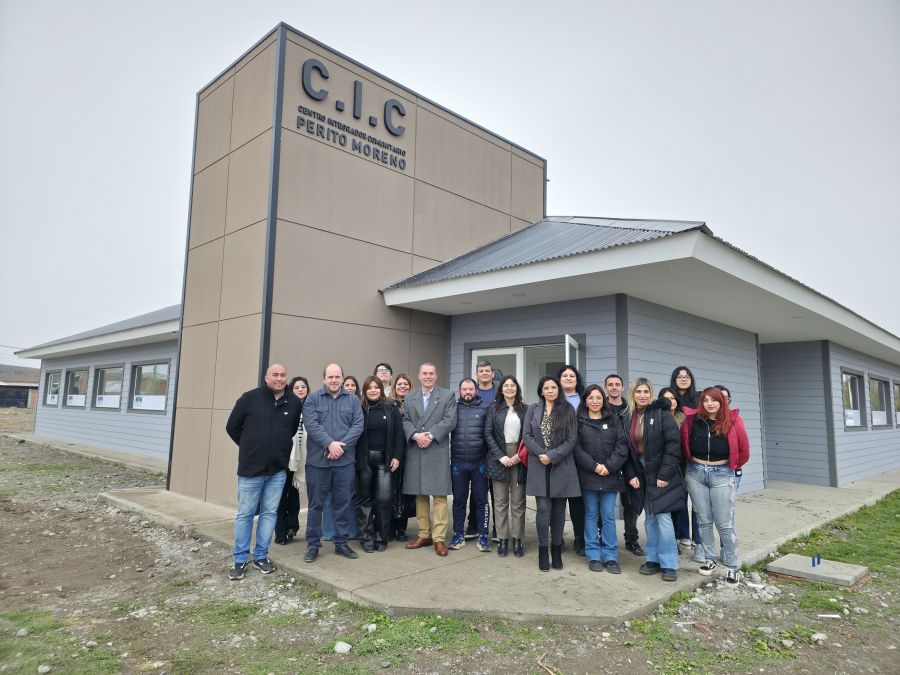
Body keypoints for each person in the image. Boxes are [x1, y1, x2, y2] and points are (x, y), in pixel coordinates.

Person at [225, 364, 302, 580]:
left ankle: (261, 556)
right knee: (246, 514)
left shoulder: (293, 402)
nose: (279, 378)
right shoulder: (249, 399)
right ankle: (240, 559)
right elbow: (232, 427)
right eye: (275, 375)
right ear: (266, 377)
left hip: (277, 471)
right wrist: (249, 447)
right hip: (251, 470)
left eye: (283, 375)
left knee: (269, 514)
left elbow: (290, 430)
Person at [681, 386, 750, 584]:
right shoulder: (692, 421)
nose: (710, 404)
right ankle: (709, 559)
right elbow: (684, 444)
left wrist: (729, 468)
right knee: (703, 520)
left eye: (714, 400)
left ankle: (732, 566)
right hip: (695, 473)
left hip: (722, 475)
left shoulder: (733, 421)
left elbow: (744, 450)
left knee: (724, 523)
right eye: (706, 400)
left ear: (722, 402)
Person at [302, 363, 364, 563]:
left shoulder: (353, 400)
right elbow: (312, 425)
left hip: (344, 463)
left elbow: (358, 425)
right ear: (324, 379)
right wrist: (330, 444)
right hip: (318, 463)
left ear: (342, 378)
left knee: (342, 504)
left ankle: (341, 543)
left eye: (337, 376)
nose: (334, 380)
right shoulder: (312, 399)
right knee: (315, 506)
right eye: (330, 377)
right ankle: (313, 545)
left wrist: (340, 447)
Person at [629, 378, 685, 582]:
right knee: (650, 518)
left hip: (661, 471)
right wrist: (631, 474)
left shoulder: (662, 414)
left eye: (646, 391)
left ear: (651, 394)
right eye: (638, 392)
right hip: (641, 472)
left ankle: (669, 563)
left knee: (663, 518)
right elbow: (627, 449)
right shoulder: (630, 417)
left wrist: (664, 475)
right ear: (633, 394)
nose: (642, 395)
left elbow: (673, 445)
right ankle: (652, 559)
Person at [573, 384, 632, 573]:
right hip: (588, 476)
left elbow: (622, 447)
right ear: (585, 401)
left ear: (603, 400)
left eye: (598, 397)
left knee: (608, 516)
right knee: (590, 514)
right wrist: (594, 466)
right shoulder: (579, 422)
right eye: (591, 398)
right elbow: (577, 449)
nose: (595, 401)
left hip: (610, 476)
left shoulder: (613, 420)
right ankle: (593, 555)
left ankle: (611, 556)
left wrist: (609, 466)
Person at [523, 376, 579, 571]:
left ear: (558, 389)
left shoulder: (568, 409)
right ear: (541, 391)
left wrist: (552, 456)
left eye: (553, 387)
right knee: (543, 509)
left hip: (561, 464)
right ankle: (542, 552)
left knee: (558, 510)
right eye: (546, 388)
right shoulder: (533, 409)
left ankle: (556, 550)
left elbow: (571, 439)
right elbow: (527, 436)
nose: (550, 390)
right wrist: (542, 454)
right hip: (539, 464)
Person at [401, 362, 457, 556]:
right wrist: (415, 435)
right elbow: (405, 419)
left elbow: (450, 420)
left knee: (439, 496)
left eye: (431, 373)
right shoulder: (410, 397)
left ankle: (439, 538)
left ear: (436, 375)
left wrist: (430, 435)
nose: (428, 376)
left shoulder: (447, 396)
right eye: (424, 373)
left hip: (436, 449)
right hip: (416, 449)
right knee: (420, 495)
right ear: (419, 376)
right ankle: (424, 534)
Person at [355, 376, 405, 552]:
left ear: (381, 389)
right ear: (364, 390)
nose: (373, 390)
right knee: (364, 499)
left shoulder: (391, 407)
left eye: (376, 387)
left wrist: (397, 456)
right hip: (364, 460)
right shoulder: (359, 408)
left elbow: (399, 434)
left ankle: (381, 537)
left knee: (384, 500)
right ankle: (366, 538)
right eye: (369, 388)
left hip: (385, 460)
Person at [484, 375, 527, 557]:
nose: (509, 388)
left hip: (520, 456)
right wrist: (501, 456)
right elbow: (488, 433)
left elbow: (529, 435)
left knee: (518, 502)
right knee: (500, 502)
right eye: (506, 386)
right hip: (498, 458)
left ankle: (517, 540)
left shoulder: (525, 409)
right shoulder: (493, 408)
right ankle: (502, 540)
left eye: (513, 385)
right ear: (501, 389)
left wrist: (519, 456)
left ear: (517, 389)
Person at [604, 373, 645, 556]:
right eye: (610, 384)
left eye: (617, 384)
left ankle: (631, 539)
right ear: (606, 387)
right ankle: (603, 537)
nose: (614, 387)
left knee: (630, 504)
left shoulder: (631, 409)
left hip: (630, 462)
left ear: (622, 387)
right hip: (607, 461)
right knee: (604, 504)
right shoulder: (601, 407)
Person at [449, 379, 491, 552]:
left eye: (471, 389)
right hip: (458, 463)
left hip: (479, 463)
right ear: (459, 391)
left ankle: (483, 535)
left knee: (481, 501)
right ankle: (458, 534)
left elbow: (490, 434)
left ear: (476, 390)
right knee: (459, 500)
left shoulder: (485, 408)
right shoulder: (453, 408)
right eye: (464, 389)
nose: (468, 392)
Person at [659, 386, 701, 553]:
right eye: (666, 398)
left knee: (684, 501)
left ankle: (692, 539)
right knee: (671, 504)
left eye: (673, 398)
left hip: (684, 465)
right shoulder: (656, 417)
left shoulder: (684, 417)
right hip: (664, 466)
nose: (670, 401)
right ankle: (676, 538)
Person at [556, 365, 587, 556]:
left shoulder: (585, 399)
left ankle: (579, 539)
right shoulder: (553, 399)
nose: (568, 378)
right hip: (559, 455)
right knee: (558, 501)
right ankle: (557, 539)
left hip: (580, 455)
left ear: (577, 379)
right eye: (564, 375)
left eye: (572, 375)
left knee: (578, 501)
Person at [274, 376, 309, 545]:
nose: (301, 389)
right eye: (297, 387)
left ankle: (292, 527)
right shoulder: (285, 406)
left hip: (302, 459)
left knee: (294, 494)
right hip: (285, 458)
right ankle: (280, 532)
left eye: (303, 387)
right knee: (281, 495)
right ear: (291, 390)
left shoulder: (311, 408)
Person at [466, 360, 497, 539]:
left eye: (487, 371)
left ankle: (498, 529)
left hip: (495, 448)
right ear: (477, 374)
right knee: (477, 490)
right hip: (476, 447)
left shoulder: (499, 393)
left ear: (493, 374)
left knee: (496, 490)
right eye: (481, 371)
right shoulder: (472, 391)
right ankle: (474, 526)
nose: (484, 373)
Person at [389, 373, 414, 540]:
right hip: (392, 452)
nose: (402, 386)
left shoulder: (413, 404)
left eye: (406, 384)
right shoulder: (388, 404)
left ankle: (401, 528)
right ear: (394, 386)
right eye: (399, 384)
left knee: (405, 491)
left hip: (410, 452)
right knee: (390, 490)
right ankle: (390, 526)